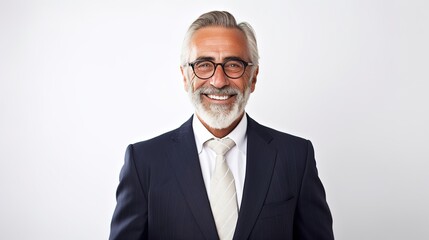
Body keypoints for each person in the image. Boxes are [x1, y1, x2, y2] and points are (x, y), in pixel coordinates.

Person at [109, 10, 334, 240]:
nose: (219, 81)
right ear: (185, 77)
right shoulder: (144, 162)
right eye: (204, 65)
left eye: (234, 65)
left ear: (253, 77)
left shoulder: (295, 157)